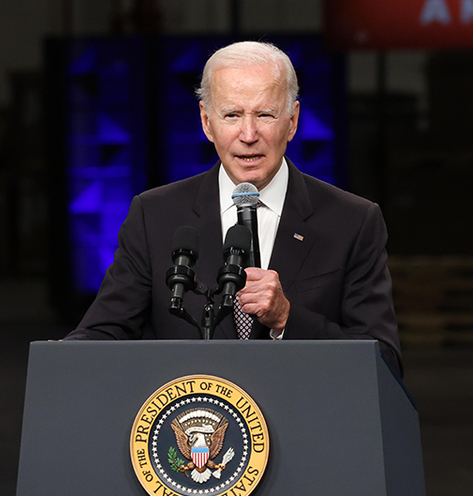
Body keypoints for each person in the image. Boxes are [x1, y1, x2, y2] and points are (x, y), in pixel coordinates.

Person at [66, 41, 402, 375]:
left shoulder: (353, 221)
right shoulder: (154, 216)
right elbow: (103, 333)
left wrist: (287, 318)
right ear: (206, 121)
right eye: (232, 115)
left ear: (293, 120)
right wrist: (59, 361)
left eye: (264, 115)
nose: (248, 134)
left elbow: (383, 361)